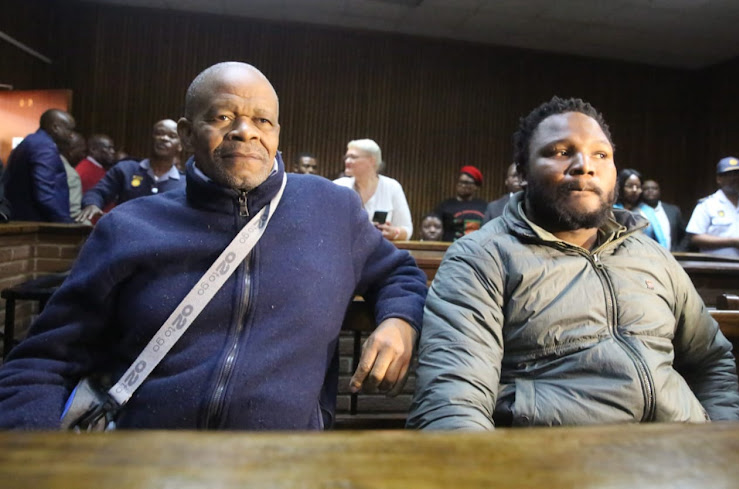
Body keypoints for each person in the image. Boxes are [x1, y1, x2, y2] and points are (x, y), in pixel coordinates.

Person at [0, 61, 427, 430]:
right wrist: (36, 460)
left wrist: (400, 321)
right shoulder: (129, 227)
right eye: (223, 117)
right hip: (147, 466)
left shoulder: (331, 209)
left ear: (277, 133)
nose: (246, 133)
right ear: (186, 133)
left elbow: (398, 272)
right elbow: (39, 365)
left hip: (284, 468)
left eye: (263, 121)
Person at [407, 96, 739, 431]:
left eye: (601, 154)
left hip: (678, 461)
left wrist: (718, 443)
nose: (585, 165)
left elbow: (710, 361)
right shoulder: (481, 258)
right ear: (522, 172)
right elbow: (453, 403)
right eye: (561, 152)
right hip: (558, 466)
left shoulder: (651, 255)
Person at [78, 120, 185, 223]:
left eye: (172, 136)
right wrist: (92, 204)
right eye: (159, 133)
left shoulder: (185, 184)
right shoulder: (126, 169)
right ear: (151, 138)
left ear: (180, 146)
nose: (164, 138)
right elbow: (98, 192)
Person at [3, 109, 75, 223]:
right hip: (38, 224)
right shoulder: (44, 147)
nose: (71, 135)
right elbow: (45, 194)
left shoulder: (30, 141)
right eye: (69, 129)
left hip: (21, 218)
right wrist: (66, 223)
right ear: (55, 127)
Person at [334, 139, 413, 241]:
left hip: (380, 254)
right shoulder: (338, 186)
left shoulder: (392, 187)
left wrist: (394, 232)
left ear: (372, 161)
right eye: (346, 157)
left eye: (353, 157)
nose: (347, 161)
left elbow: (407, 230)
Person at [686, 157, 739, 258]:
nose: (735, 178)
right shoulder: (707, 204)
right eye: (729, 175)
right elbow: (695, 238)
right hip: (715, 267)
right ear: (719, 179)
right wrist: (734, 242)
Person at [613, 168, 667, 248]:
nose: (634, 190)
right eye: (630, 186)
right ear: (620, 187)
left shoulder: (647, 211)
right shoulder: (613, 210)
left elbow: (660, 240)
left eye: (638, 187)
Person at [434, 166, 487, 241]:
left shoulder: (484, 206)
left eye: (467, 183)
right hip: (451, 248)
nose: (462, 185)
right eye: (460, 182)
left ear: (476, 186)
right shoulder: (445, 206)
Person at [641, 179, 687, 251]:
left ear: (659, 191)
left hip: (672, 256)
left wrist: (679, 251)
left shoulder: (673, 210)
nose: (650, 191)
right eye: (646, 189)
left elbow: (685, 235)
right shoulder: (636, 211)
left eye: (654, 188)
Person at [59, 131, 87, 221]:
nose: (84, 156)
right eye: (82, 152)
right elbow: (74, 214)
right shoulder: (71, 175)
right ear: (71, 152)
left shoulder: (48, 164)